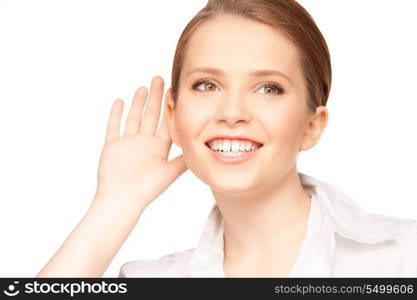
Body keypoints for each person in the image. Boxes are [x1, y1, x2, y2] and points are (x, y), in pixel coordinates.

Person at [36, 0, 417, 278]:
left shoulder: (405, 256)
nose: (232, 111)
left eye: (268, 88)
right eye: (207, 85)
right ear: (174, 115)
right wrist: (115, 205)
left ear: (311, 126)